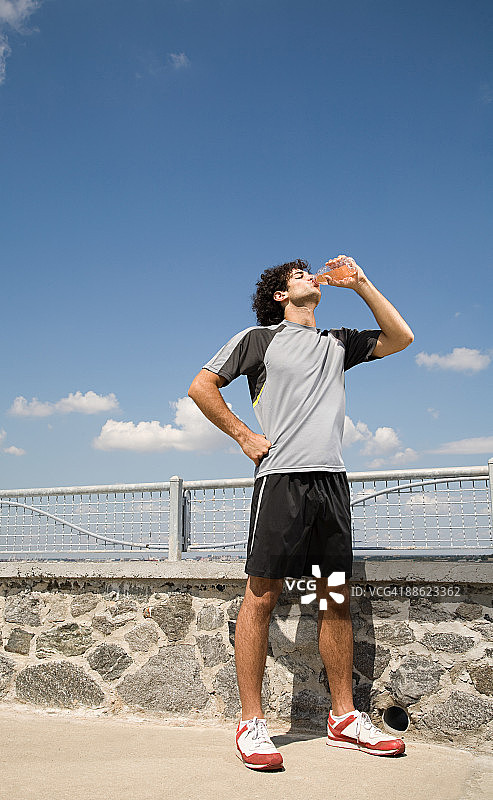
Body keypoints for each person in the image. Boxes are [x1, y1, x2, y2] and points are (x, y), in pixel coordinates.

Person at [188, 255, 414, 770]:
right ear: (279, 296)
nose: (311, 278)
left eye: (311, 275)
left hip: (330, 485)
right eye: (298, 277)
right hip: (282, 482)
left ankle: (343, 718)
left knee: (332, 599)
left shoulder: (337, 342)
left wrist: (360, 283)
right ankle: (251, 723)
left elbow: (401, 337)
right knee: (262, 595)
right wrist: (244, 435)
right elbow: (201, 386)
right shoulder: (258, 339)